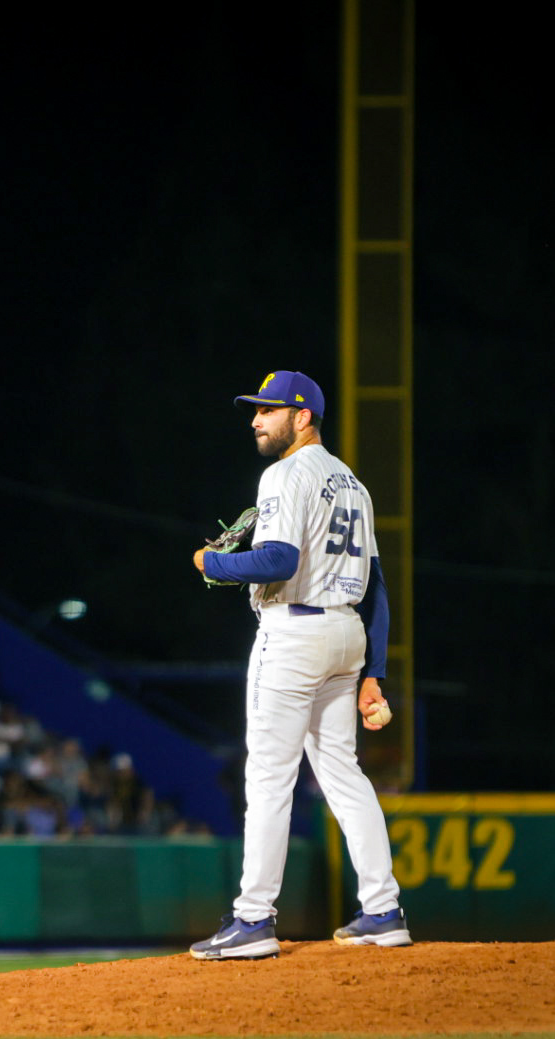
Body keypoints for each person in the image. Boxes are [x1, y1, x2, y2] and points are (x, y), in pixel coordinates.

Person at [188, 370, 408, 960]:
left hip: (295, 633)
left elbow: (279, 560)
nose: (256, 419)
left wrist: (214, 564)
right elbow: (378, 589)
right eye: (254, 411)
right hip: (346, 633)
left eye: (268, 410)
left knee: (268, 778)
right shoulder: (354, 485)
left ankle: (253, 919)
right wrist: (373, 672)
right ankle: (383, 909)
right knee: (341, 771)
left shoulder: (285, 473)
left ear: (302, 415)